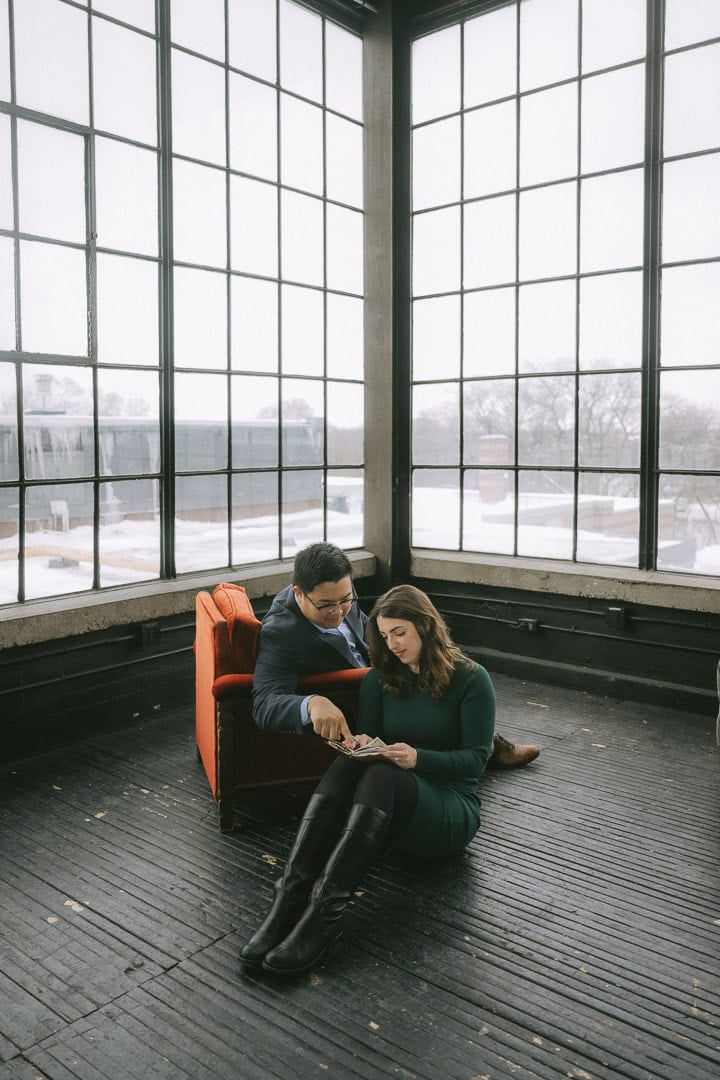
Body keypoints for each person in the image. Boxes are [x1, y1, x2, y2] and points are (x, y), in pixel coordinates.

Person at [241, 584, 496, 975]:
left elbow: (476, 762)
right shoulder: (377, 679)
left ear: (426, 627)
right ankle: (290, 895)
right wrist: (362, 743)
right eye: (383, 634)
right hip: (392, 808)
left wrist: (417, 757)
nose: (391, 644)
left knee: (382, 773)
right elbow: (375, 743)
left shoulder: (471, 679)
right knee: (353, 763)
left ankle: (325, 913)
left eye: (400, 632)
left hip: (448, 810)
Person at [251, 541, 540, 767]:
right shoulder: (281, 633)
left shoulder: (337, 597)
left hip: (380, 673)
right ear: (299, 594)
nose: (338, 611)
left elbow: (365, 635)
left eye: (346, 599)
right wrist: (311, 703)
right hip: (362, 697)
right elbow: (264, 704)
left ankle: (483, 741)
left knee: (434, 655)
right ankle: (485, 747)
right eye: (327, 605)